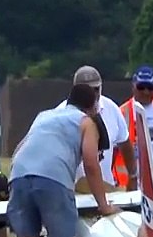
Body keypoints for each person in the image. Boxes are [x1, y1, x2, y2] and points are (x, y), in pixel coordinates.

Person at [7, 82, 121, 237]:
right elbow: (91, 163)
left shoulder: (44, 116)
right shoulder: (86, 122)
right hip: (53, 177)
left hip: (19, 174)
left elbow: (20, 148)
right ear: (92, 107)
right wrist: (103, 204)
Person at [56, 65, 136, 193]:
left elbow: (125, 143)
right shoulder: (61, 114)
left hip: (106, 188)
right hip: (73, 191)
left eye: (96, 89)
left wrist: (133, 176)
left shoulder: (111, 109)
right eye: (86, 90)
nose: (92, 95)